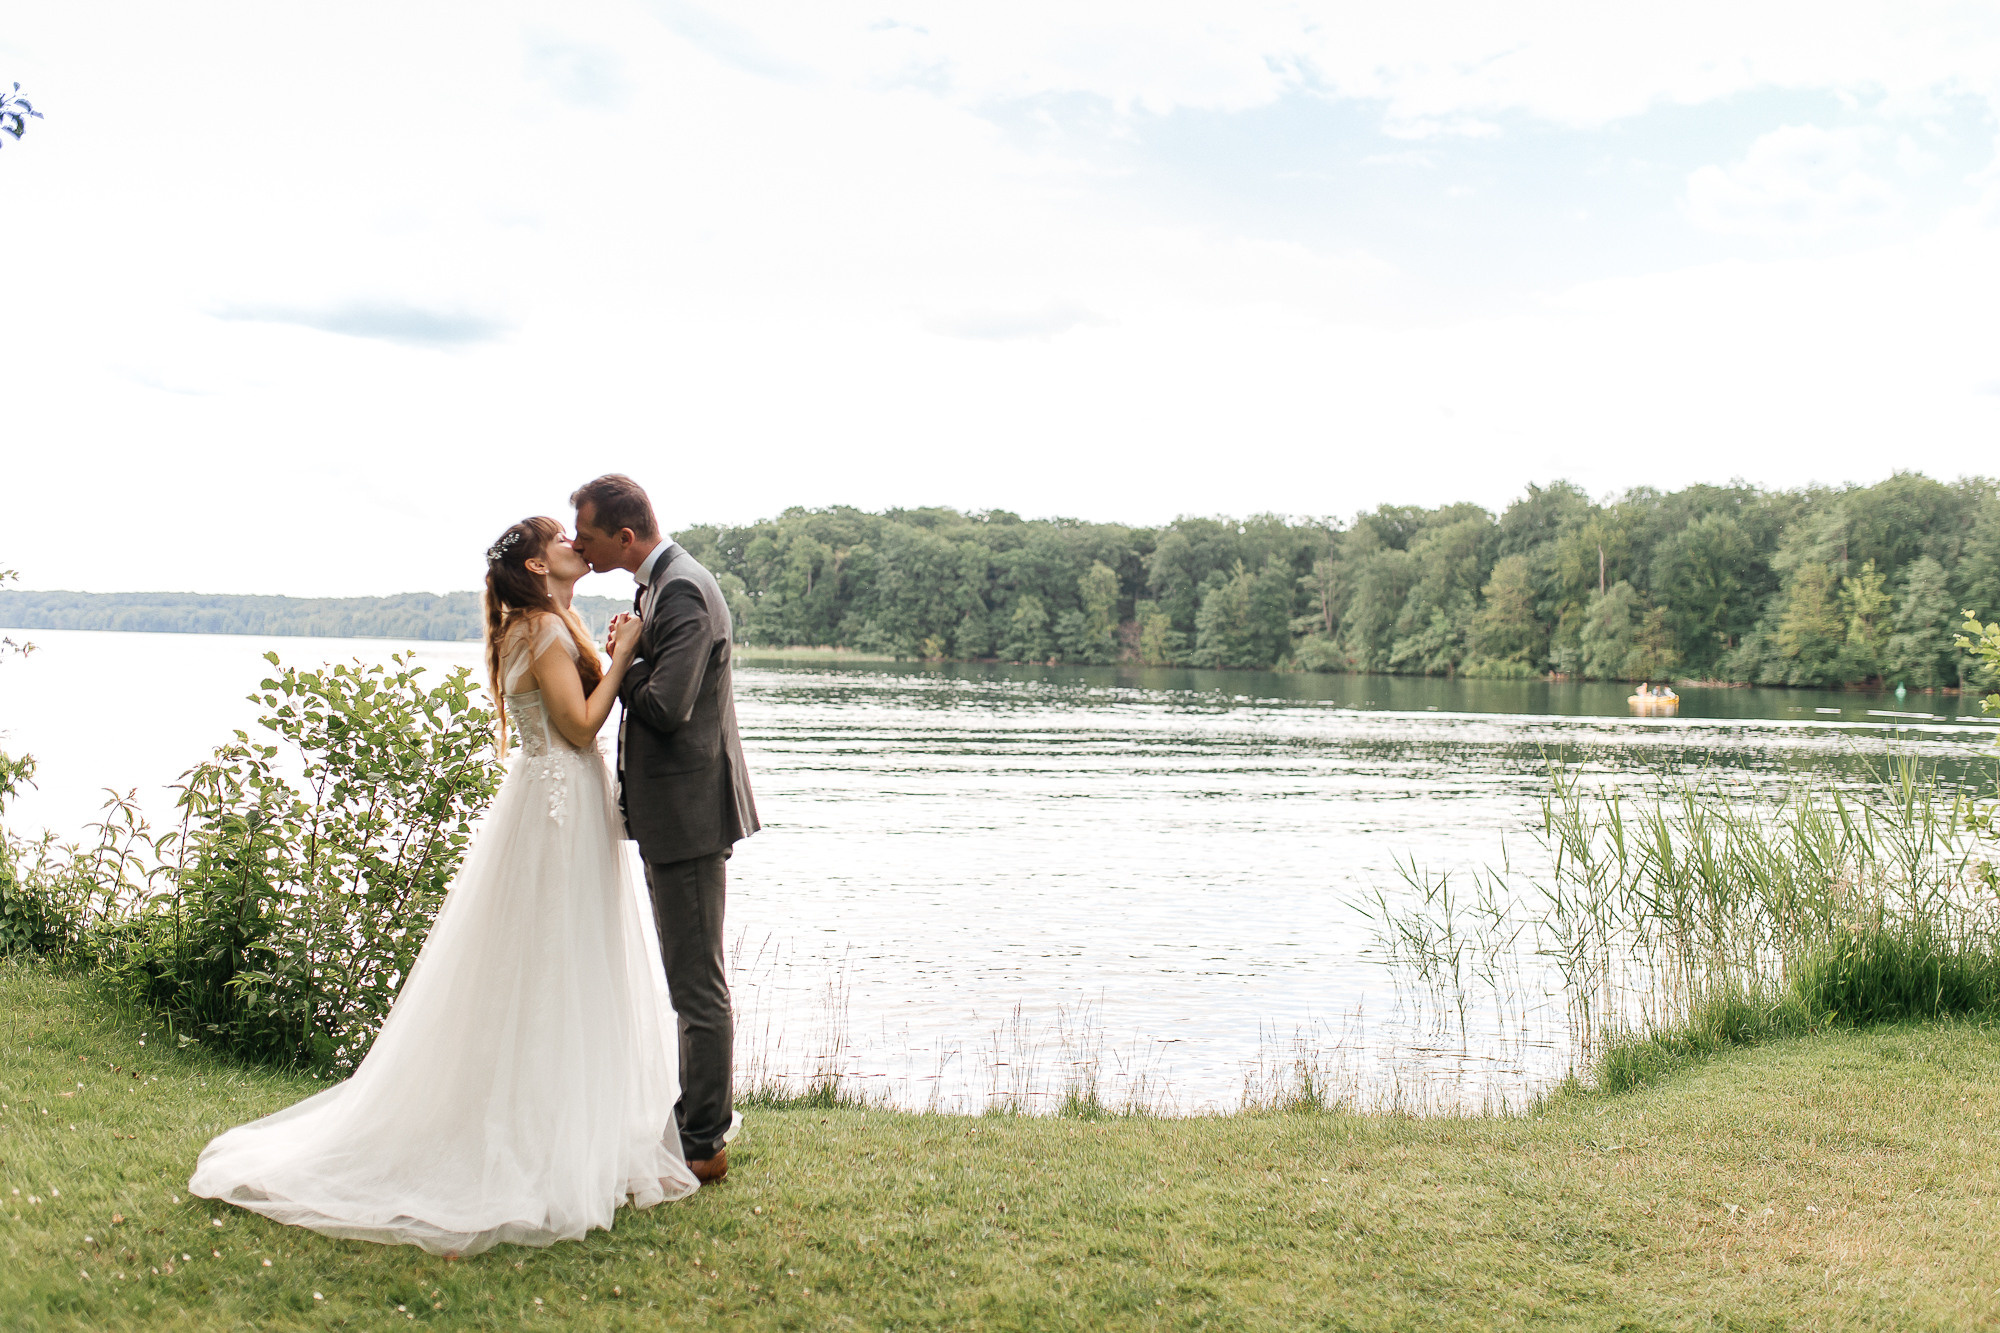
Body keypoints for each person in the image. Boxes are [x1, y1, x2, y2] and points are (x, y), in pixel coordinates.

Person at [188, 517, 699, 1255]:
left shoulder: (548, 622)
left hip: (557, 808)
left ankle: (565, 1120)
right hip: (556, 819)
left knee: (564, 966)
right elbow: (583, 727)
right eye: (562, 536)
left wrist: (611, 646)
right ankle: (532, 1136)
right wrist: (624, 657)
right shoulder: (543, 632)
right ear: (537, 560)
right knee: (552, 965)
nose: (573, 543)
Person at [568, 474, 759, 1185]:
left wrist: (628, 655)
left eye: (586, 535)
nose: (578, 545)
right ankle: (694, 1121)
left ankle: (703, 1140)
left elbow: (667, 706)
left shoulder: (680, 590)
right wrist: (631, 646)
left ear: (625, 535)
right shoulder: (661, 585)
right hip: (674, 812)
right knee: (690, 977)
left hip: (690, 816)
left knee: (695, 983)